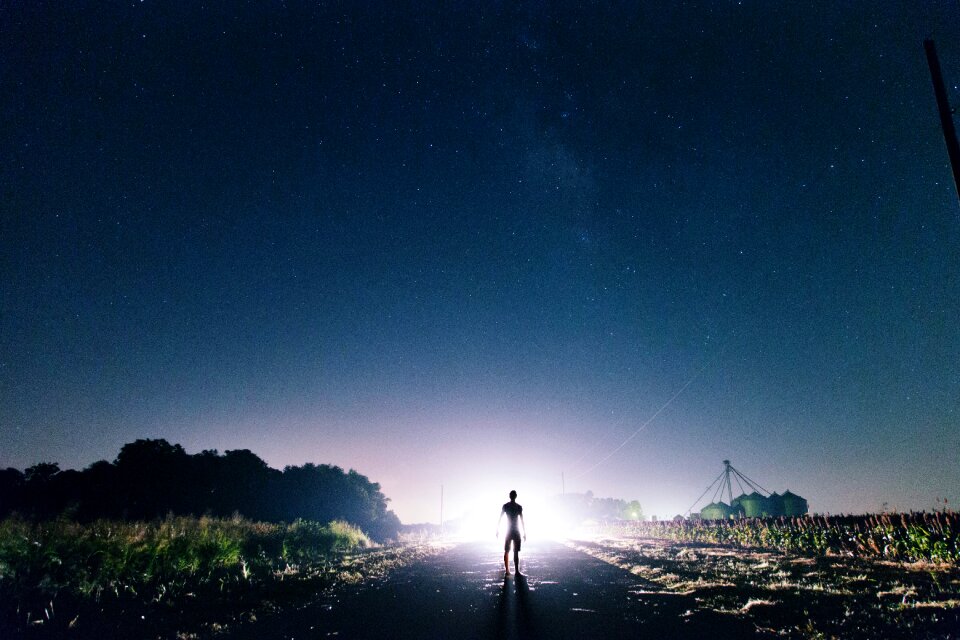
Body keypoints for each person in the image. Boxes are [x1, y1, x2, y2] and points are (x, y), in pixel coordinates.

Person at [496, 489, 526, 576]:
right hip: (515, 531)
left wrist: (497, 529)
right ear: (515, 496)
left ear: (510, 496)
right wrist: (524, 532)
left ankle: (509, 571)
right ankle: (514, 571)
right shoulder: (517, 507)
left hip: (510, 531)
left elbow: (500, 518)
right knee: (513, 551)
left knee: (508, 551)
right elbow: (522, 520)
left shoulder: (507, 506)